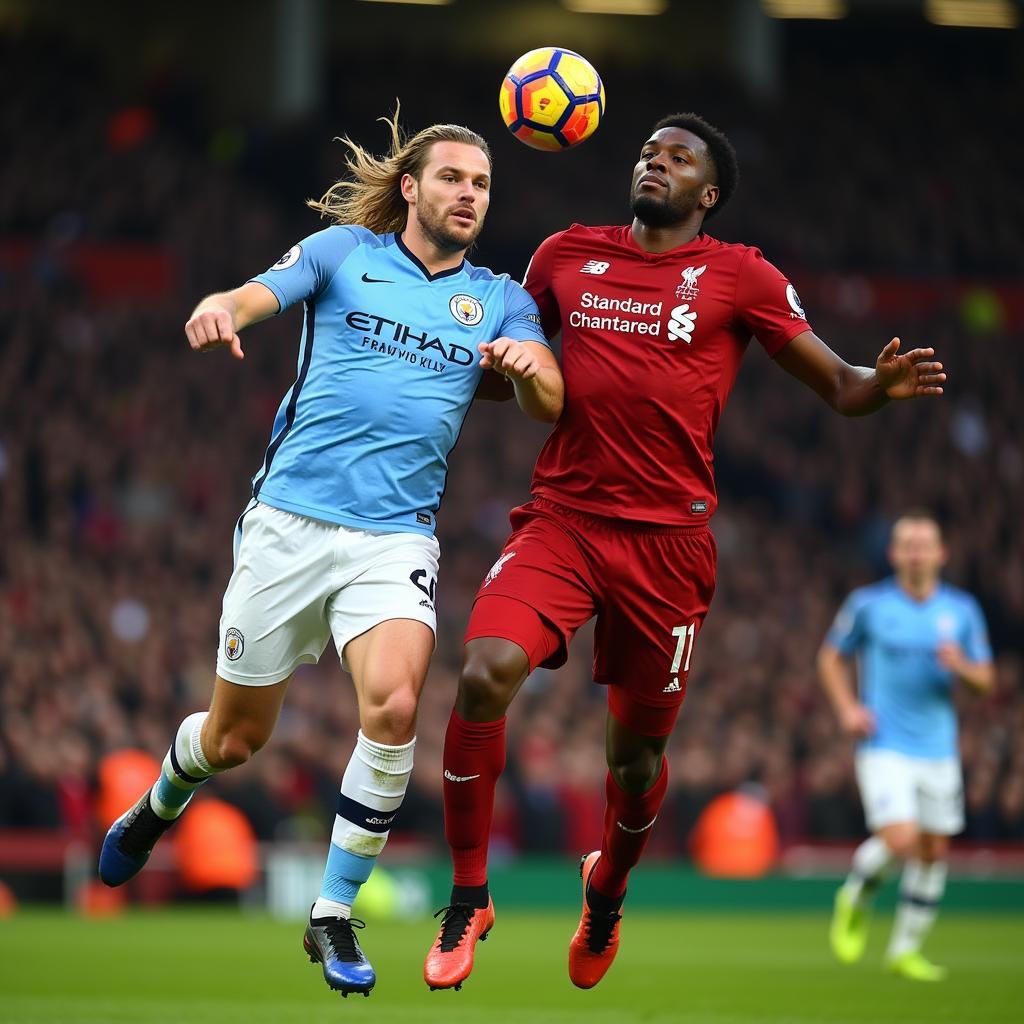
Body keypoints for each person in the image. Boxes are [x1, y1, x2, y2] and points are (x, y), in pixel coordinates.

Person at [422, 111, 947, 993]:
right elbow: (499, 368)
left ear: (708, 193)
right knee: (482, 672)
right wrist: (494, 364)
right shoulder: (562, 256)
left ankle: (608, 888)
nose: (653, 163)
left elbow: (839, 384)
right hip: (565, 520)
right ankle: (470, 893)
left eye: (677, 158)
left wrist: (877, 386)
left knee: (632, 764)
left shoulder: (740, 275)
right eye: (646, 152)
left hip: (668, 549)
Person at [98, 113, 562, 999]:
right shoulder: (344, 252)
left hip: (394, 540)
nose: (470, 194)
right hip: (288, 526)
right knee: (235, 740)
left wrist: (527, 365)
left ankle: (333, 914)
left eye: (484, 184)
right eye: (454, 178)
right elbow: (253, 296)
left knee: (392, 710)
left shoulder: (501, 298)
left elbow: (549, 395)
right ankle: (162, 800)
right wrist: (217, 309)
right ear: (414, 187)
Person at [819, 511, 994, 982]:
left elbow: (985, 680)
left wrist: (961, 666)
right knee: (903, 840)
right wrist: (846, 709)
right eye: (908, 545)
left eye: (925, 545)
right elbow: (831, 656)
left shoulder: (961, 611)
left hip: (938, 748)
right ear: (894, 554)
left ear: (942, 554)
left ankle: (904, 950)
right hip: (884, 744)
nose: (916, 553)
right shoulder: (869, 605)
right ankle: (854, 895)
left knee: (934, 850)